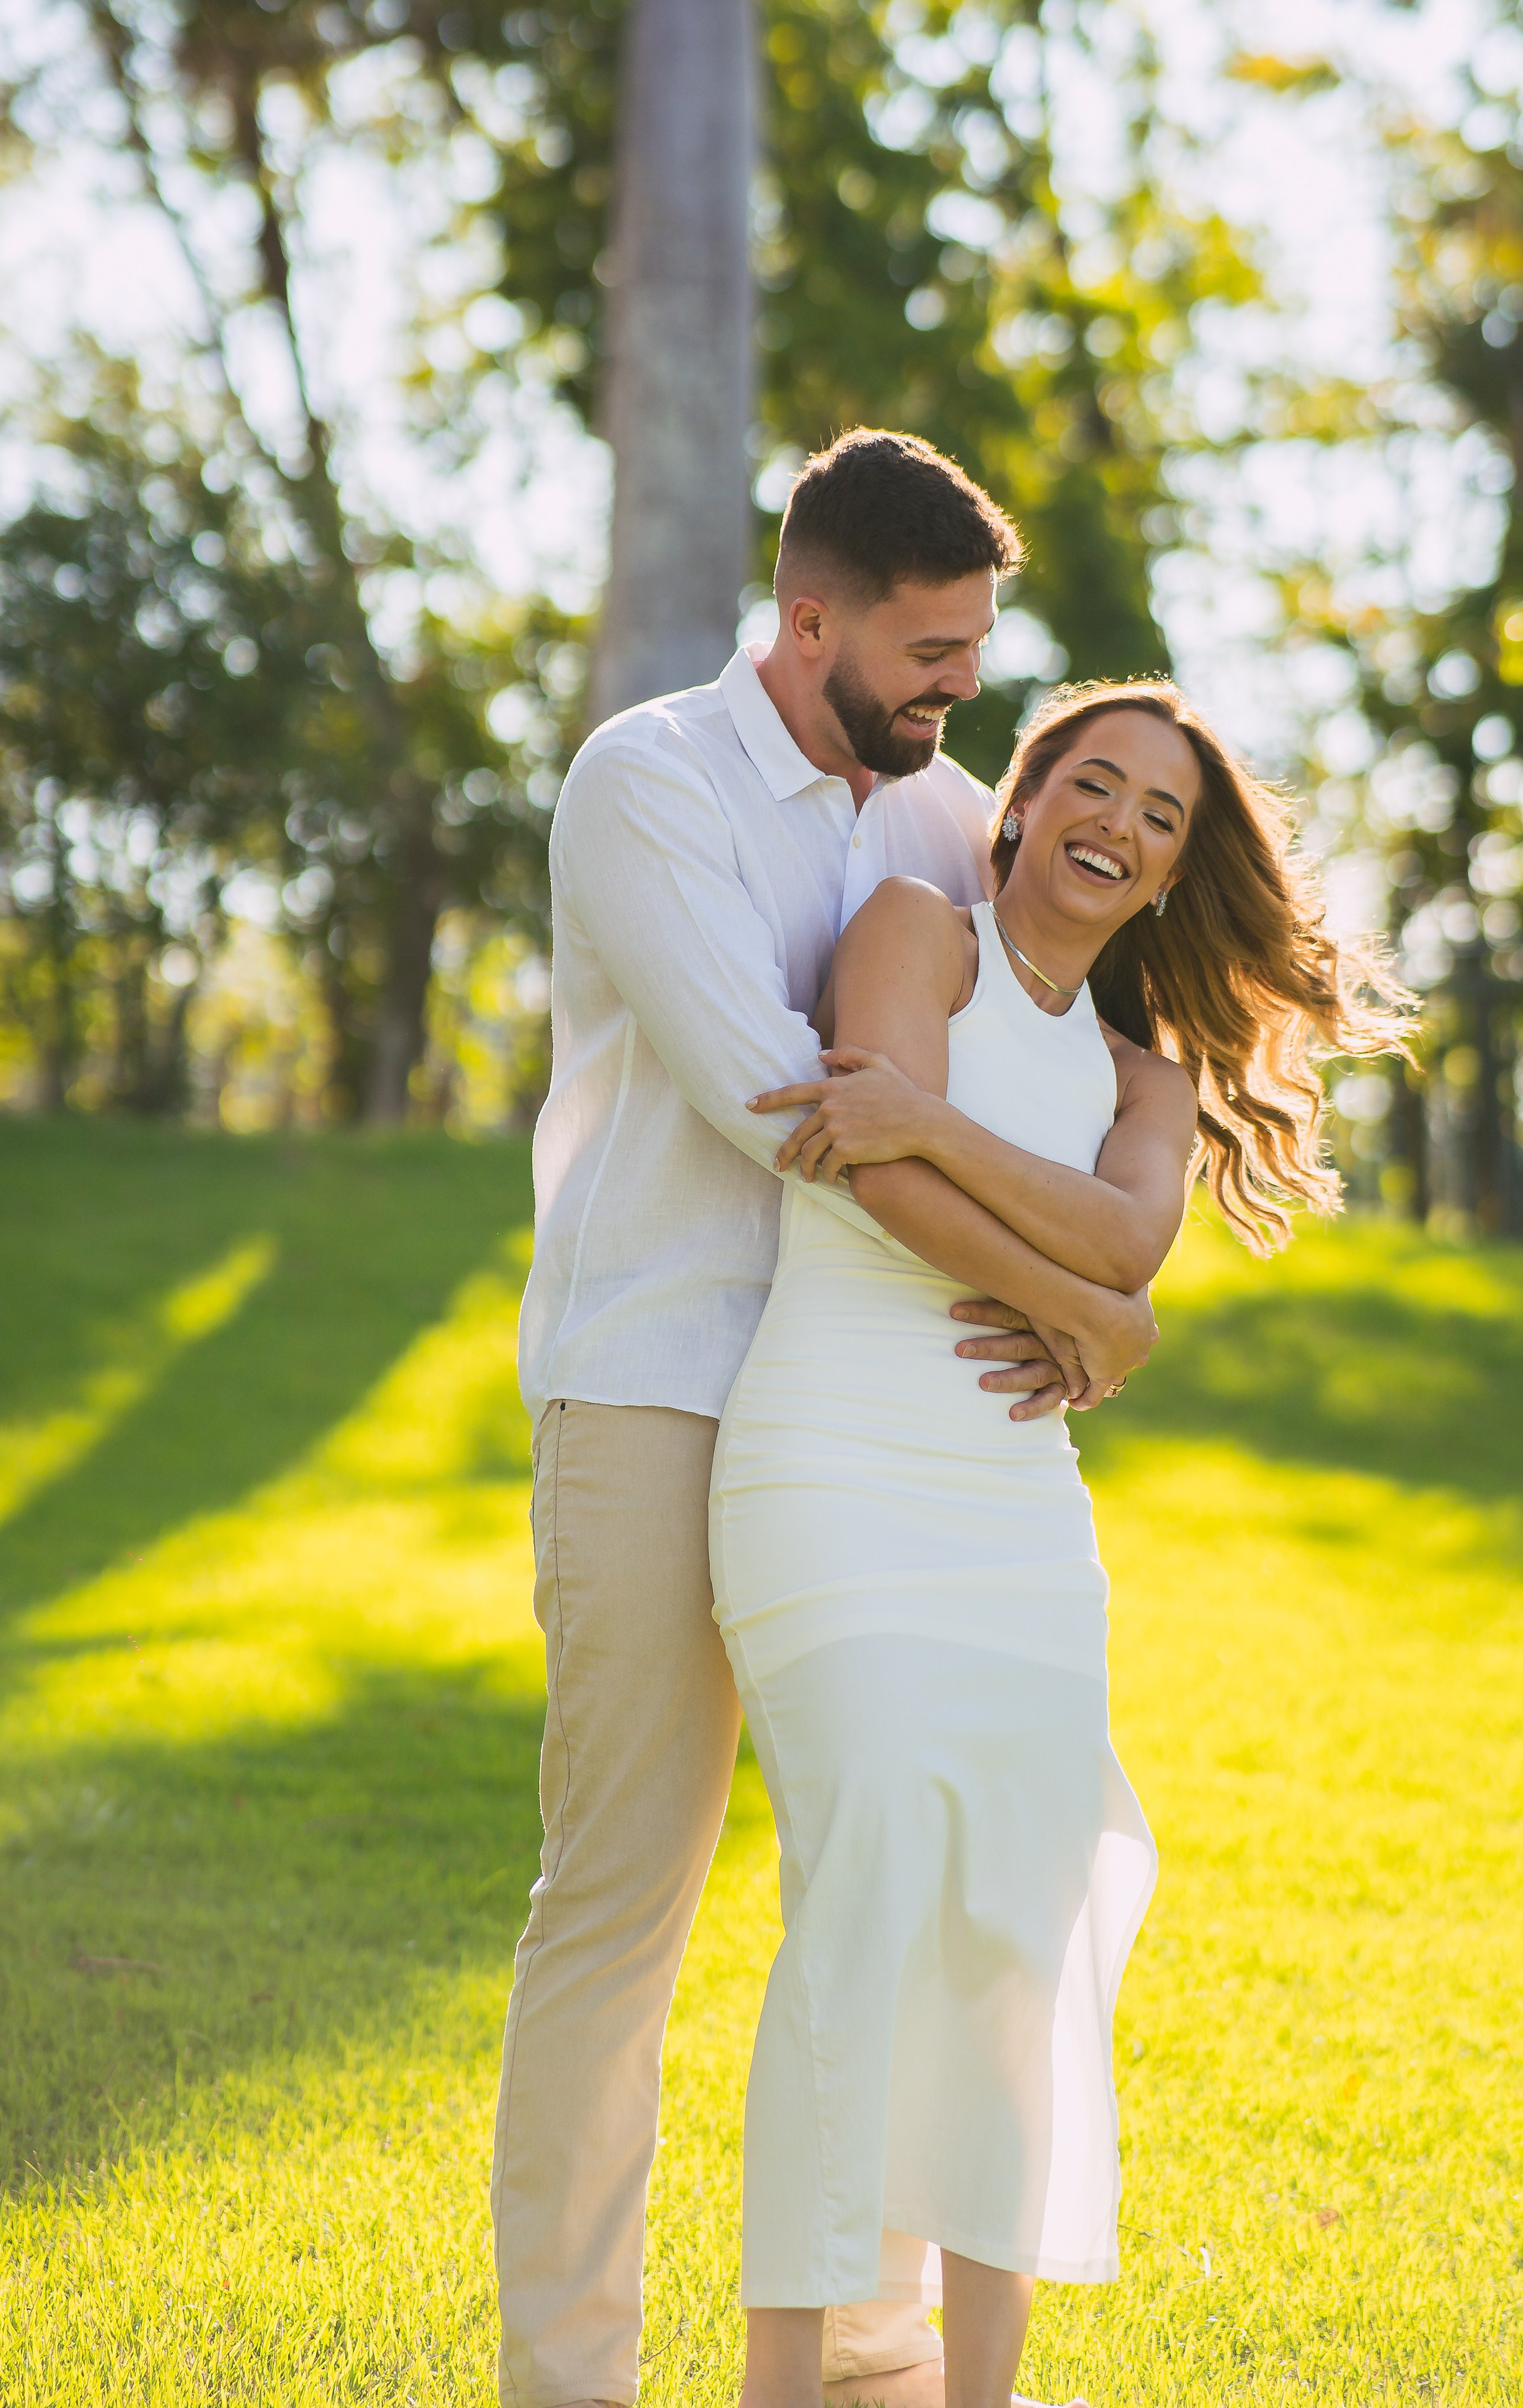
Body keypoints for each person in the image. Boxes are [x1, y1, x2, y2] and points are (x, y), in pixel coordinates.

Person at [494, 430, 1159, 2408]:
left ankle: (873, 2373)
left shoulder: (951, 820)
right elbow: (794, 1105)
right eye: (931, 649)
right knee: (623, 1899)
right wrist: (1072, 1298)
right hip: (655, 1378)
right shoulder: (650, 780)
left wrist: (1112, 1254)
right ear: (809, 622)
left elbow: (1034, 1050)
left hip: (870, 1424)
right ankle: (571, 2383)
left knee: (887, 1887)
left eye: (974, 651)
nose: (962, 689)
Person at [714, 678, 1416, 2408]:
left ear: (1174, 875)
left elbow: (1115, 1230)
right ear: (1017, 803)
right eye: (1090, 785)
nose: (1118, 824)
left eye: (1160, 816)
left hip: (1019, 1533)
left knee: (1020, 1947)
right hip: (832, 1473)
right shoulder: (912, 930)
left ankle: (975, 2392)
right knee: (861, 1895)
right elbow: (867, 1177)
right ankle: (783, 2386)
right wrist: (1093, 1320)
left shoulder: (1147, 1078)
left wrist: (976, 1164)